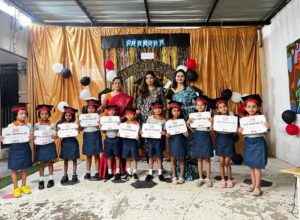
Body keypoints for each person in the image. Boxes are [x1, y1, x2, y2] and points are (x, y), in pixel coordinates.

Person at [166, 69, 198, 180]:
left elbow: (195, 106)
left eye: (182, 76)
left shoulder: (190, 90)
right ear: (175, 78)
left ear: (185, 78)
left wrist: (183, 109)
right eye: (178, 76)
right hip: (176, 122)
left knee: (188, 146)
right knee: (177, 146)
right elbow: (169, 108)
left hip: (188, 121)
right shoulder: (171, 91)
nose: (180, 78)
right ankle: (177, 172)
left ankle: (189, 172)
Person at [0, 103, 33, 198]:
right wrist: (2, 138)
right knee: (14, 170)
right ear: (16, 115)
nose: (24, 115)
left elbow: (31, 138)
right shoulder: (10, 126)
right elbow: (7, 137)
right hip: (14, 149)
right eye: (21, 113)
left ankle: (23, 186)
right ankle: (15, 188)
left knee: (24, 169)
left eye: (25, 113)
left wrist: (32, 137)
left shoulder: (29, 126)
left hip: (25, 148)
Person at [239, 94, 270, 196]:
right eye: (249, 107)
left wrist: (267, 128)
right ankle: (253, 184)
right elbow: (242, 133)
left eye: (253, 106)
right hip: (248, 142)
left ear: (257, 107)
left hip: (258, 142)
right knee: (251, 165)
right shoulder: (244, 120)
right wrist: (239, 130)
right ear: (245, 108)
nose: (251, 109)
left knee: (257, 166)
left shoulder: (261, 119)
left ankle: (258, 187)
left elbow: (266, 132)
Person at [186, 96, 213, 187]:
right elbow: (193, 131)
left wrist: (211, 123)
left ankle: (208, 178)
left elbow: (211, 131)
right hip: (197, 137)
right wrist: (188, 124)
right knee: (199, 159)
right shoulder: (194, 117)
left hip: (206, 137)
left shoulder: (208, 116)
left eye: (202, 105)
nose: (200, 107)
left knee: (207, 159)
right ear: (196, 107)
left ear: (205, 106)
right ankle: (200, 178)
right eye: (198, 105)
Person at [212, 97, 235, 188]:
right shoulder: (216, 119)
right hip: (220, 140)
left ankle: (229, 179)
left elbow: (234, 130)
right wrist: (212, 125)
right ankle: (222, 178)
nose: (223, 108)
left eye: (224, 106)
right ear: (218, 109)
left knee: (227, 161)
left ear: (227, 107)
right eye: (220, 107)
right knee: (221, 162)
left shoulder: (231, 118)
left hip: (228, 140)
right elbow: (214, 132)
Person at [34, 104, 58, 190]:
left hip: (50, 145)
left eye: (46, 114)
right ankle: (41, 180)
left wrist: (56, 136)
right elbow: (35, 135)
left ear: (49, 115)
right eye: (42, 114)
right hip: (40, 146)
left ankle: (51, 179)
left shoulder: (52, 124)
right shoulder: (36, 125)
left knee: (50, 162)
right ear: (39, 115)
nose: (44, 115)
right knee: (41, 164)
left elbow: (55, 135)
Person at [166, 101, 189, 184]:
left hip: (181, 141)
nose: (176, 112)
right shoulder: (168, 122)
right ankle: (174, 176)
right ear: (171, 112)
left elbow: (186, 134)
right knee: (173, 160)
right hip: (172, 142)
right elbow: (167, 134)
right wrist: (167, 135)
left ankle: (181, 176)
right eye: (174, 110)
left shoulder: (182, 121)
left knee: (182, 160)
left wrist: (186, 134)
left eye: (178, 111)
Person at [80, 99, 103, 180]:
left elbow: (101, 128)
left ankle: (97, 172)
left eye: (93, 108)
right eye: (89, 107)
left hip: (96, 135)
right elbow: (80, 128)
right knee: (88, 155)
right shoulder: (83, 117)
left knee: (96, 155)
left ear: (96, 109)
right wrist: (79, 123)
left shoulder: (98, 117)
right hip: (87, 136)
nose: (91, 109)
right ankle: (88, 172)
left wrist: (100, 124)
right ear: (87, 108)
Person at [144, 102, 166, 182]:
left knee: (159, 156)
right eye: (156, 109)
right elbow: (146, 128)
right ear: (153, 110)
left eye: (159, 108)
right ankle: (150, 172)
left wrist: (164, 132)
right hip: (150, 140)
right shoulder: (150, 118)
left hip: (159, 141)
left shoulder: (163, 120)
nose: (158, 110)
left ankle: (160, 173)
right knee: (150, 156)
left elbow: (165, 130)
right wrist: (144, 132)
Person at [58, 106, 80, 184]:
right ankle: (65, 175)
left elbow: (78, 132)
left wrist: (77, 127)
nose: (68, 117)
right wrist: (59, 131)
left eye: (70, 115)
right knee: (65, 159)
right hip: (65, 143)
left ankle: (74, 174)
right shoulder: (61, 124)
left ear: (72, 116)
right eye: (66, 115)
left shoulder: (74, 124)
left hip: (73, 142)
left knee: (74, 159)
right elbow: (58, 134)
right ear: (64, 115)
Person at [101, 104, 122, 181]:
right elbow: (103, 131)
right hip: (108, 139)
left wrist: (120, 125)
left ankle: (117, 172)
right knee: (109, 157)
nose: (112, 112)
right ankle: (109, 172)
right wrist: (101, 127)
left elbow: (121, 130)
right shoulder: (104, 119)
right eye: (110, 111)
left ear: (115, 111)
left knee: (117, 156)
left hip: (116, 139)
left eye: (113, 110)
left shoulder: (118, 119)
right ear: (107, 111)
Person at [121, 108, 139, 181]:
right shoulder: (124, 124)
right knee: (127, 158)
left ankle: (134, 172)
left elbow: (138, 133)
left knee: (134, 158)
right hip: (125, 142)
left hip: (133, 142)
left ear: (134, 115)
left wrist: (138, 136)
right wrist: (120, 133)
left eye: (131, 114)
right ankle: (128, 172)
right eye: (128, 115)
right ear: (125, 116)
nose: (129, 116)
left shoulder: (136, 124)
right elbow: (121, 133)